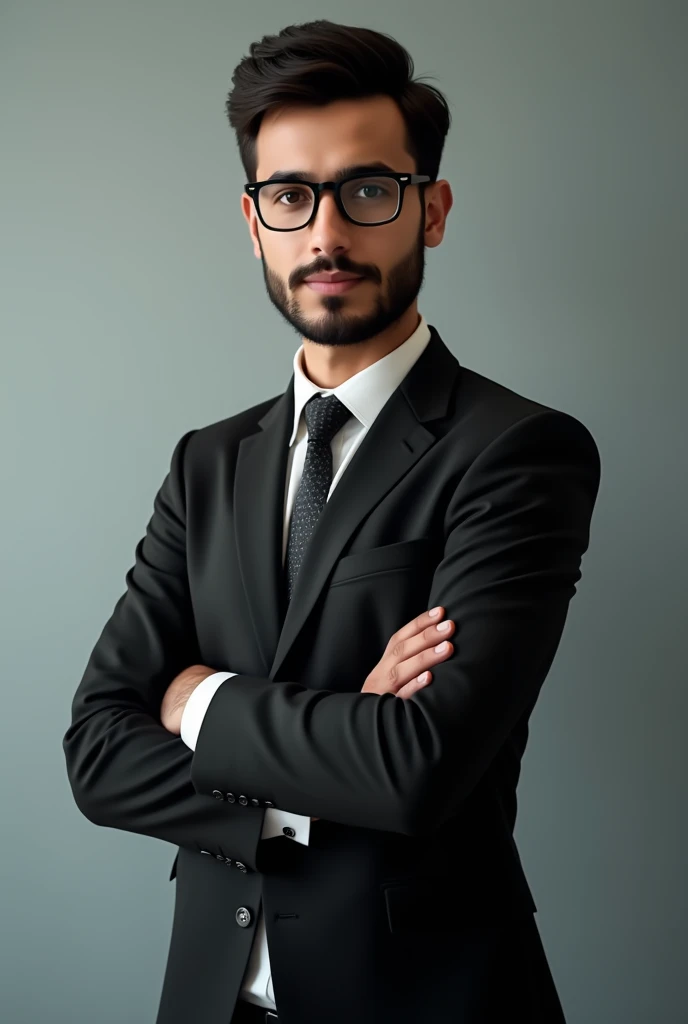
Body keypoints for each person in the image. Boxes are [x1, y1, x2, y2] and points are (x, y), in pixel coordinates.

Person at [63, 19, 601, 1024]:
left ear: (429, 209)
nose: (324, 233)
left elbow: (414, 768)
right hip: (212, 1001)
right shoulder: (207, 463)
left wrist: (195, 700)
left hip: (425, 1000)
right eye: (288, 195)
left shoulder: (519, 451)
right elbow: (97, 750)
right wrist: (326, 753)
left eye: (366, 189)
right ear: (252, 217)